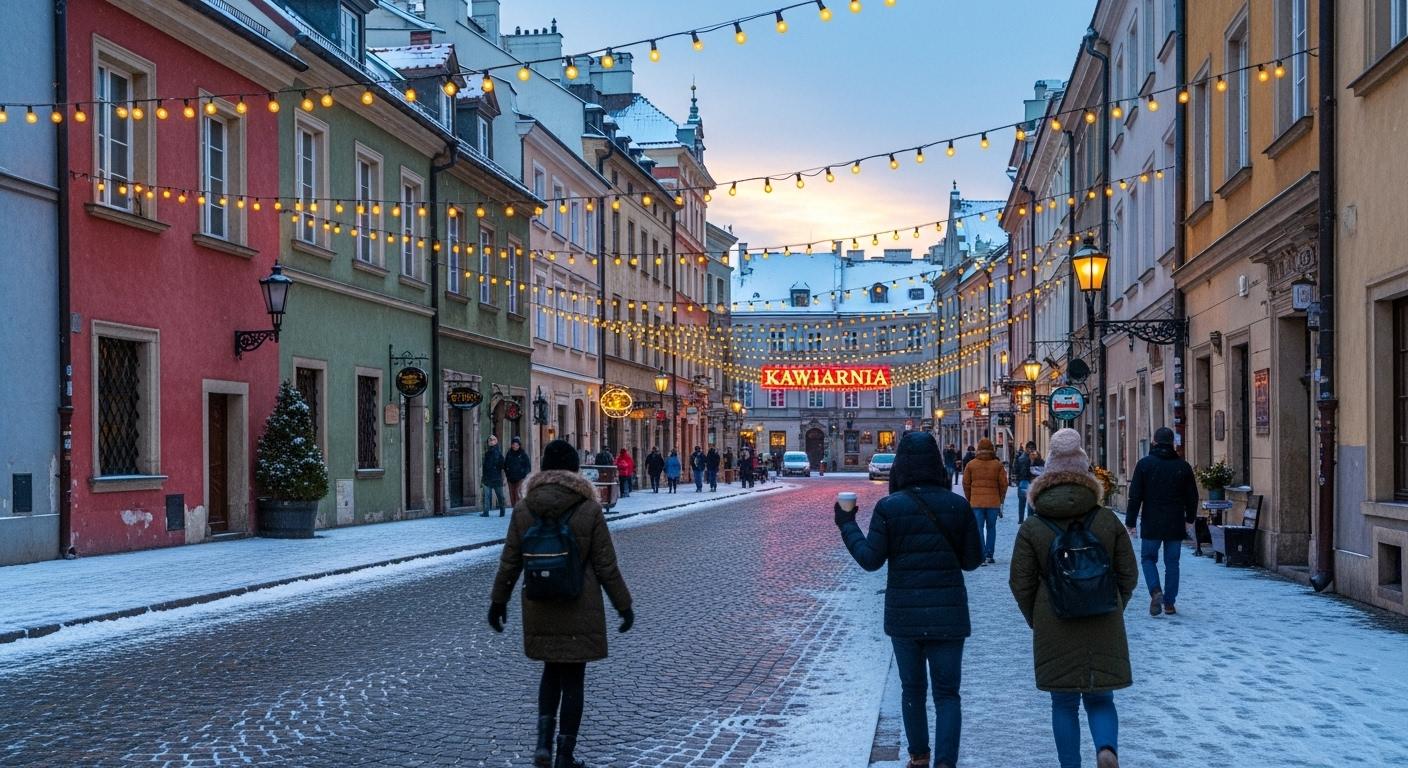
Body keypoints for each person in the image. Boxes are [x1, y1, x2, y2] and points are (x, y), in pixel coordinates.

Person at [836, 431, 983, 768]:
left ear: (901, 465)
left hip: (905, 615)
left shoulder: (890, 507)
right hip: (948, 615)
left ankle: (918, 757)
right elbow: (972, 561)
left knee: (912, 690)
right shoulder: (957, 505)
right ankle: (946, 762)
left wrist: (847, 524)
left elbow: (870, 559)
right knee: (947, 694)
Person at [488, 439, 633, 768]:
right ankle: (565, 755)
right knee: (573, 680)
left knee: (550, 672)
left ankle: (542, 744)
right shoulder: (589, 508)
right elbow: (606, 566)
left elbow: (510, 562)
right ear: (575, 470)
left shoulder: (525, 508)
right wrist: (623, 606)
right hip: (579, 602)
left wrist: (498, 602)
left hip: (539, 602)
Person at [1009, 428, 1138, 768]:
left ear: (1047, 475)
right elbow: (1129, 574)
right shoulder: (1107, 520)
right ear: (1086, 474)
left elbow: (1019, 582)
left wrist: (1038, 616)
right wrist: (1112, 604)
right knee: (1100, 697)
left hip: (1055, 621)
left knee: (1063, 703)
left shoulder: (1033, 527)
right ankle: (1106, 749)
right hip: (1102, 618)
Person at [1124, 427, 1199, 617]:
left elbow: (1135, 496)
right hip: (1175, 521)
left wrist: (1131, 522)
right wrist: (1189, 519)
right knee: (1172, 562)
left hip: (1152, 520)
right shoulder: (1183, 466)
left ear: (1154, 442)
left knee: (1148, 559)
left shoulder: (1145, 464)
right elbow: (1192, 497)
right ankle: (1169, 604)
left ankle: (1156, 591)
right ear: (1173, 443)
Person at [962, 438, 1008, 565]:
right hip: (993, 502)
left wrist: (970, 498)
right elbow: (1004, 484)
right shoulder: (997, 465)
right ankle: (989, 554)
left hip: (976, 502)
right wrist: (1000, 498)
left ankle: (981, 555)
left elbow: (966, 484)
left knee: (979, 528)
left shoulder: (971, 465)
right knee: (991, 528)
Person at [481, 435, 507, 517]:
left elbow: (503, 465)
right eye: (489, 440)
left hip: (496, 477)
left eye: (493, 440)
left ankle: (502, 511)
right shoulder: (487, 453)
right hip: (487, 477)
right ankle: (486, 512)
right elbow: (485, 466)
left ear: (496, 441)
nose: (491, 441)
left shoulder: (498, 453)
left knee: (500, 496)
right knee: (487, 496)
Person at [1012, 441, 1037, 524]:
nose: (1031, 450)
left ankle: (1023, 519)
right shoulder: (1029, 458)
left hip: (1026, 482)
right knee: (1026, 502)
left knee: (1025, 502)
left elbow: (1015, 469)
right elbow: (1016, 469)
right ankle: (1025, 520)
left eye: (1032, 448)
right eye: (1030, 448)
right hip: (1027, 481)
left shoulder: (1021, 458)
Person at [505, 437, 532, 507]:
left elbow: (528, 466)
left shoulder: (523, 454)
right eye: (513, 444)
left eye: (516, 445)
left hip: (520, 478)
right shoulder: (509, 454)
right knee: (512, 495)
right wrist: (507, 473)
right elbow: (505, 464)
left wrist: (524, 474)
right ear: (511, 445)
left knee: (518, 494)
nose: (515, 446)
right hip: (510, 478)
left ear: (519, 446)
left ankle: (519, 508)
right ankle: (514, 508)